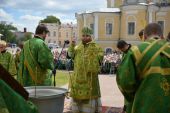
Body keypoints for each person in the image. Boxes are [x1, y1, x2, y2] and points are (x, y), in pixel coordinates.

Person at [116, 23, 170, 113]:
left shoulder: (136, 51)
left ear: (144, 36)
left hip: (143, 105)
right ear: (162, 36)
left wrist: (133, 97)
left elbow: (124, 82)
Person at [68, 27, 104, 113]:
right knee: (77, 99)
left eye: (87, 35)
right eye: (83, 35)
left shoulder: (96, 47)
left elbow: (100, 57)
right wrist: (72, 45)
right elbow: (70, 55)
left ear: (91, 36)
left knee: (89, 97)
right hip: (77, 76)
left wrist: (92, 58)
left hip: (89, 76)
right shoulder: (77, 47)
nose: (84, 37)